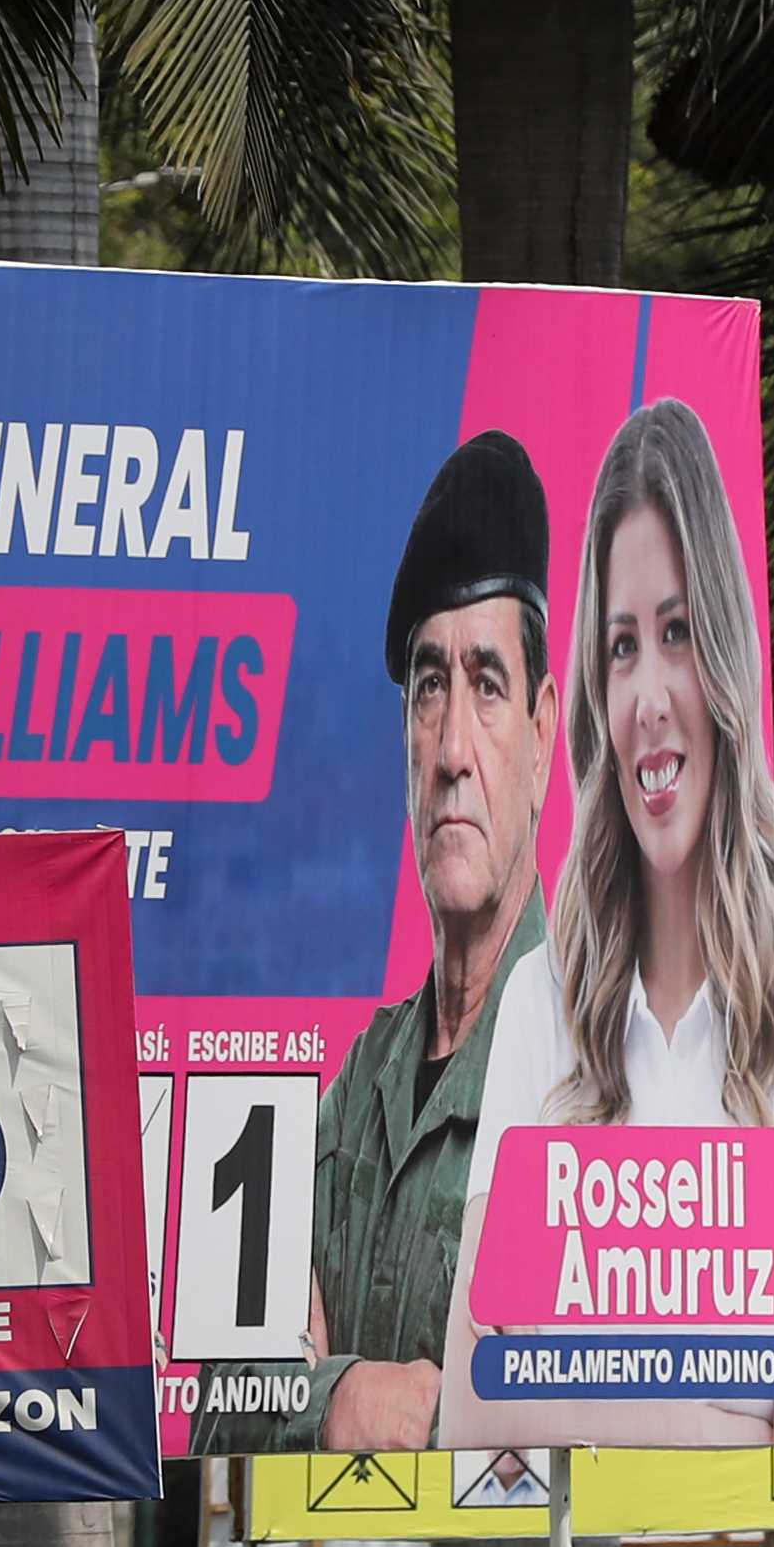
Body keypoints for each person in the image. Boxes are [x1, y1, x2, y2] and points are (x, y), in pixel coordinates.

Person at [189, 432, 556, 1456]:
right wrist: (342, 1400)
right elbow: (222, 1392)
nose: (449, 751)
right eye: (427, 687)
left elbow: (581, 1413)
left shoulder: (594, 1069)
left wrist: (314, 1369)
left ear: (543, 735)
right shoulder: (359, 1081)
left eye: (485, 685)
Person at [442, 398, 774, 1448]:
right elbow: (471, 1397)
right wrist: (721, 1406)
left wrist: (578, 1386)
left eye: (677, 634)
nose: (645, 693)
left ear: (724, 655)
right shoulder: (542, 1002)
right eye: (620, 645)